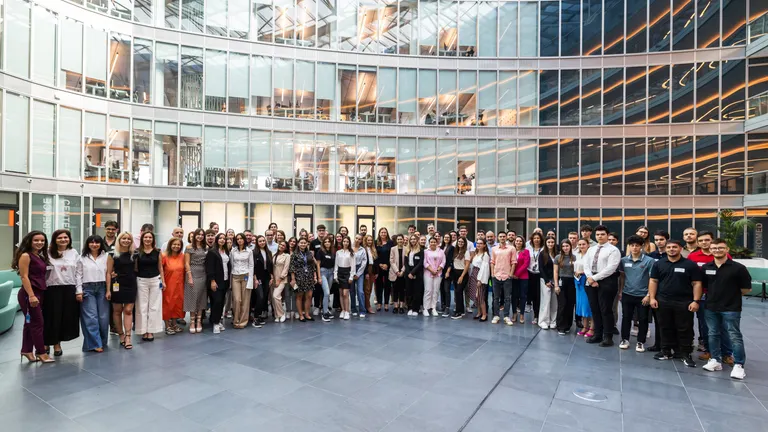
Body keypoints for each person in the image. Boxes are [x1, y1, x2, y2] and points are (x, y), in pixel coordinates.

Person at [701, 238, 751, 379]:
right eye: (714, 248)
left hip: (731, 308)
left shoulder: (738, 268)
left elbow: (746, 288)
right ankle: (715, 360)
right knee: (713, 333)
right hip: (711, 307)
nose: (717, 250)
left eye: (720, 248)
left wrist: (731, 296)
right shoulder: (706, 267)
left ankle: (739, 365)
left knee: (734, 335)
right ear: (710, 250)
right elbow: (705, 286)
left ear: (727, 249)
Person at [649, 239, 703, 367]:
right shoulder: (659, 264)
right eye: (669, 247)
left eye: (674, 247)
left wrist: (696, 301)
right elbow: (653, 281)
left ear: (680, 249)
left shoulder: (690, 265)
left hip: (684, 302)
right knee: (665, 326)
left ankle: (685, 353)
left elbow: (697, 283)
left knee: (685, 328)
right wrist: (652, 298)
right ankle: (666, 351)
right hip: (663, 301)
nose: (671, 249)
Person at [688, 231, 734, 363]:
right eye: (701, 240)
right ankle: (709, 350)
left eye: (707, 240)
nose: (704, 243)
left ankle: (727, 353)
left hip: (721, 296)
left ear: (712, 241)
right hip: (702, 296)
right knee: (705, 326)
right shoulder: (693, 256)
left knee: (723, 326)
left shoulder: (723, 255)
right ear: (697, 242)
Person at [14, 231, 54, 363]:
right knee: (37, 323)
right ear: (30, 241)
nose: (39, 243)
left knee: (29, 322)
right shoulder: (26, 255)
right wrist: (31, 295)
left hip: (39, 292)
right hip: (30, 293)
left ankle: (26, 350)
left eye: (42, 241)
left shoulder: (39, 256)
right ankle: (41, 353)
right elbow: (24, 277)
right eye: (36, 240)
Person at [43, 229, 81, 356]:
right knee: (51, 317)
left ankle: (57, 343)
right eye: (60, 238)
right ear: (54, 239)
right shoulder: (47, 252)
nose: (63, 239)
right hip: (52, 289)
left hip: (69, 288)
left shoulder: (73, 252)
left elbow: (78, 273)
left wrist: (78, 290)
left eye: (66, 237)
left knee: (64, 317)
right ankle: (46, 343)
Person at [583, 225, 621, 347]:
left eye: (602, 234)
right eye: (598, 234)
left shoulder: (613, 250)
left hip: (607, 281)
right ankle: (597, 335)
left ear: (607, 235)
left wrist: (594, 278)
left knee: (606, 310)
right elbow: (586, 264)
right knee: (595, 309)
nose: (600, 236)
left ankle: (608, 337)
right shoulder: (591, 249)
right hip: (590, 281)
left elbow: (611, 268)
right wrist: (590, 278)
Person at [618, 235, 654, 352]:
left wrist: (649, 295)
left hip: (643, 295)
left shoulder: (649, 261)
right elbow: (622, 277)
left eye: (637, 246)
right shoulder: (624, 260)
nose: (634, 248)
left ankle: (640, 341)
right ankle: (624, 339)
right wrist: (621, 292)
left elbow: (651, 279)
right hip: (627, 294)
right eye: (632, 245)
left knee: (643, 319)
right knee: (626, 317)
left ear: (642, 246)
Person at [76, 235, 109, 352]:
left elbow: (109, 273)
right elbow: (78, 275)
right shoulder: (81, 258)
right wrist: (78, 291)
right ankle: (95, 344)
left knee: (103, 317)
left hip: (102, 288)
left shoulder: (106, 257)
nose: (94, 245)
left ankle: (102, 342)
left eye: (97, 242)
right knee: (91, 317)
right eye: (92, 242)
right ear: (87, 244)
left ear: (101, 244)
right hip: (87, 288)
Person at [107, 232, 138, 349]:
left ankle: (128, 336)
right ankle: (121, 335)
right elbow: (109, 273)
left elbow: (136, 269)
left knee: (129, 310)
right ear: (119, 240)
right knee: (117, 310)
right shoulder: (112, 254)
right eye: (123, 238)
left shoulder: (134, 254)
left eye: (128, 239)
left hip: (130, 284)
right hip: (117, 285)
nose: (126, 240)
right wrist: (108, 290)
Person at [135, 231, 164, 342]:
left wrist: (163, 281)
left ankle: (151, 330)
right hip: (141, 280)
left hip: (155, 280)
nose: (147, 239)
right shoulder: (137, 252)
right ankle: (143, 330)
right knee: (142, 307)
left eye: (150, 237)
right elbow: (135, 268)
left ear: (153, 239)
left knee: (154, 306)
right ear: (142, 239)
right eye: (145, 237)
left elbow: (160, 267)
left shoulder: (158, 252)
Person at [184, 228, 208, 334]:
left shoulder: (206, 247)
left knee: (201, 297)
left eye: (202, 235)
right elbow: (187, 263)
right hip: (192, 273)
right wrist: (189, 276)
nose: (200, 236)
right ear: (194, 236)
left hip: (203, 273)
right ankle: (192, 322)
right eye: (198, 234)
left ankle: (199, 322)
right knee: (192, 297)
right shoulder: (189, 247)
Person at [205, 233, 230, 334]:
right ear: (217, 239)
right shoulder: (212, 252)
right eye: (220, 238)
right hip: (215, 281)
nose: (222, 240)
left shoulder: (226, 251)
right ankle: (215, 323)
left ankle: (217, 320)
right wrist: (212, 281)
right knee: (217, 301)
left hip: (225, 280)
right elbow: (209, 267)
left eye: (224, 238)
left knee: (221, 302)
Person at [490, 232, 516, 325]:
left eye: (504, 236)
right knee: (496, 298)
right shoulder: (494, 249)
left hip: (507, 276)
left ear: (506, 238)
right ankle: (496, 315)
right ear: (498, 238)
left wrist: (511, 274)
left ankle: (506, 316)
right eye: (500, 236)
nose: (502, 238)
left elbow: (513, 262)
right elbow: (492, 262)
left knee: (507, 298)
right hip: (496, 275)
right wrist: (492, 273)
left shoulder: (512, 248)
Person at [290, 237, 318, 322]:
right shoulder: (294, 254)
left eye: (304, 243)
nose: (303, 244)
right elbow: (292, 268)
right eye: (301, 243)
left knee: (309, 296)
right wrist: (293, 279)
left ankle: (307, 314)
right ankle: (301, 315)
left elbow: (313, 266)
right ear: (298, 244)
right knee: (299, 296)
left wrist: (315, 276)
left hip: (309, 277)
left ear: (307, 244)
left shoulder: (309, 253)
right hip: (299, 277)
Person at [230, 233, 254, 328]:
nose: (239, 240)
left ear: (244, 240)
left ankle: (243, 322)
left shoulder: (249, 251)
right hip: (235, 276)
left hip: (245, 276)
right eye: (238, 239)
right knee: (237, 299)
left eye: (241, 238)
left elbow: (251, 266)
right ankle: (236, 320)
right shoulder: (233, 251)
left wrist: (251, 279)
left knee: (245, 300)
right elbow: (232, 264)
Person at [162, 238, 185, 334]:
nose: (176, 246)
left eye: (178, 245)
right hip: (168, 285)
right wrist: (162, 282)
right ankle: (167, 326)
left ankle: (175, 324)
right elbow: (160, 271)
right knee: (168, 304)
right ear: (170, 245)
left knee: (178, 304)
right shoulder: (164, 256)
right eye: (174, 244)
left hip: (180, 285)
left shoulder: (182, 256)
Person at [554, 240, 577, 335]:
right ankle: (560, 326)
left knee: (570, 304)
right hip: (561, 282)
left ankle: (568, 325)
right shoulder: (558, 257)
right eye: (563, 246)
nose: (565, 248)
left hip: (572, 282)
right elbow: (555, 272)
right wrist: (556, 285)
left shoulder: (575, 257)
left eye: (567, 246)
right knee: (562, 304)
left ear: (570, 246)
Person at [574, 239, 594, 339]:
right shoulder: (576, 255)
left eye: (583, 244)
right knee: (581, 305)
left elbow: (592, 269)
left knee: (589, 305)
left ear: (588, 245)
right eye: (580, 244)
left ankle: (592, 328)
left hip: (587, 280)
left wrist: (582, 272)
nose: (582, 246)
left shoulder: (591, 255)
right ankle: (585, 326)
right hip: (578, 282)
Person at [537, 237, 558, 330]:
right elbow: (541, 268)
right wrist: (546, 281)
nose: (550, 244)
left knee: (555, 302)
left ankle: (553, 321)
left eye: (552, 242)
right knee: (546, 301)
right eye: (548, 242)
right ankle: (543, 321)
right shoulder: (542, 254)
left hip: (556, 280)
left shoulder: (557, 253)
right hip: (545, 280)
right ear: (546, 243)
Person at [253, 235, 273, 326]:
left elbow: (270, 266)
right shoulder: (254, 252)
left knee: (264, 296)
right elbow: (253, 267)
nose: (262, 243)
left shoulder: (268, 252)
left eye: (263, 241)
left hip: (267, 277)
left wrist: (272, 277)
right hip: (258, 277)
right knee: (260, 296)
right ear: (257, 243)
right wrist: (255, 279)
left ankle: (259, 315)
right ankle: (255, 317)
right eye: (260, 241)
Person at [468, 239, 491, 321]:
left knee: (480, 296)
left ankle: (484, 314)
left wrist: (480, 280)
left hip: (480, 276)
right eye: (477, 243)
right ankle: (479, 313)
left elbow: (485, 269)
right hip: (473, 274)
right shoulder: (476, 254)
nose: (479, 245)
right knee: (476, 296)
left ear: (484, 245)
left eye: (481, 243)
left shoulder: (485, 255)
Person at [422, 237, 445, 317]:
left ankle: (433, 308)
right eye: (431, 242)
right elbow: (424, 263)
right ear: (429, 243)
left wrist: (438, 270)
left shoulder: (441, 251)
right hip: (428, 273)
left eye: (434, 242)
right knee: (428, 290)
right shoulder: (425, 252)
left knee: (435, 291)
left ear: (437, 243)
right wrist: (431, 270)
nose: (433, 243)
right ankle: (426, 308)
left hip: (438, 274)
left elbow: (443, 262)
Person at [449, 237, 471, 319]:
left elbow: (467, 265)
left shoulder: (466, 252)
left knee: (459, 291)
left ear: (465, 243)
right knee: (457, 292)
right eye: (459, 241)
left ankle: (459, 312)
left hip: (462, 274)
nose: (460, 243)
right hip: (455, 273)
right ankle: (460, 310)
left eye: (462, 242)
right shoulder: (455, 251)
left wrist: (462, 276)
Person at [315, 236, 336, 322]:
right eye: (325, 242)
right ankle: (324, 313)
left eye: (329, 241)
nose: (327, 243)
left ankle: (326, 310)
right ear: (323, 243)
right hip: (323, 272)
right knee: (326, 292)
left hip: (331, 273)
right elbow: (318, 265)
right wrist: (319, 277)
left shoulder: (332, 252)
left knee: (327, 293)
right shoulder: (320, 251)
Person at [527, 232, 545, 325]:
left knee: (540, 296)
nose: (536, 240)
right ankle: (536, 315)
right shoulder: (529, 249)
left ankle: (542, 316)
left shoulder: (544, 249)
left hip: (540, 274)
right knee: (534, 296)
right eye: (535, 238)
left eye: (538, 238)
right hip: (530, 274)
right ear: (532, 240)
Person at [334, 236, 354, 320]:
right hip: (340, 273)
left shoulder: (351, 253)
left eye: (347, 241)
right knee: (341, 293)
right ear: (342, 242)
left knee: (346, 294)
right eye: (344, 241)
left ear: (349, 243)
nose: (345, 243)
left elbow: (353, 266)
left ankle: (347, 311)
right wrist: (335, 274)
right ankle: (343, 310)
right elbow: (336, 264)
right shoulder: (338, 252)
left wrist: (351, 276)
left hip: (347, 273)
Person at [404, 235, 424, 316]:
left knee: (417, 292)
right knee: (409, 291)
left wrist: (413, 273)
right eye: (411, 239)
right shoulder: (407, 250)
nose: (412, 240)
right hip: (408, 274)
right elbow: (406, 263)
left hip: (417, 274)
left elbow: (420, 263)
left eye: (414, 239)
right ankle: (410, 308)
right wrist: (409, 273)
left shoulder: (421, 250)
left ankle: (416, 309)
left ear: (417, 240)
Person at [375, 228, 394, 312]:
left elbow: (392, 255)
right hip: (378, 267)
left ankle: (386, 303)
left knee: (387, 285)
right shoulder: (376, 243)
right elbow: (374, 255)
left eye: (385, 232)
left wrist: (387, 265)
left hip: (388, 267)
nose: (383, 234)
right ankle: (379, 303)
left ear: (387, 233)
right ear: (379, 233)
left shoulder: (391, 243)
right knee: (379, 286)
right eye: (381, 232)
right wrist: (380, 264)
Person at [512, 236, 529, 324]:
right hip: (513, 277)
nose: (518, 242)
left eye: (520, 241)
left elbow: (526, 264)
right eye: (517, 241)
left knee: (523, 296)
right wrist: (512, 274)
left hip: (523, 277)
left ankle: (522, 314)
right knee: (514, 296)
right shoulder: (512, 250)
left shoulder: (526, 251)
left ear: (523, 242)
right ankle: (514, 313)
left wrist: (517, 274)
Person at [272, 241, 290, 323]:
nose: (281, 246)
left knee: (276, 296)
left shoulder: (286, 256)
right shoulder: (274, 255)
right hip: (273, 279)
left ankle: (282, 313)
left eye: (283, 245)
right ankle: (277, 315)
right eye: (280, 244)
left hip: (281, 280)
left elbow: (285, 269)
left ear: (286, 248)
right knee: (273, 298)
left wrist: (279, 280)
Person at [389, 234, 407, 314]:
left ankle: (401, 306)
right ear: (396, 240)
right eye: (398, 239)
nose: (400, 240)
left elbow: (407, 262)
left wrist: (402, 271)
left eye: (401, 239)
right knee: (395, 290)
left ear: (403, 240)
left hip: (403, 273)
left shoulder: (407, 249)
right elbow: (391, 261)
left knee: (402, 290)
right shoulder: (393, 249)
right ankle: (396, 306)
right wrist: (397, 271)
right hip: (394, 272)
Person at [353, 234, 368, 318]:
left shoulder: (363, 249)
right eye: (356, 238)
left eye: (359, 239)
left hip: (360, 269)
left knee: (360, 291)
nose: (357, 240)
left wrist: (358, 274)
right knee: (352, 292)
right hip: (350, 269)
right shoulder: (350, 248)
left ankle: (362, 310)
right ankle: (353, 309)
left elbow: (364, 262)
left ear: (361, 241)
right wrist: (352, 273)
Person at [440, 234, 455, 316]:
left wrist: (448, 271)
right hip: (440, 271)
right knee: (441, 289)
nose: (446, 239)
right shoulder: (441, 247)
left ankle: (447, 308)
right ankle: (443, 305)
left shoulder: (452, 248)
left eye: (448, 237)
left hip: (447, 271)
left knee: (446, 289)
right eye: (445, 237)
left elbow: (450, 261)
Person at [363, 235, 378, 314]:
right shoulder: (363, 249)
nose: (370, 242)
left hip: (372, 270)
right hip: (367, 269)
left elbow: (376, 262)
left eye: (371, 240)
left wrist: (376, 272)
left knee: (370, 289)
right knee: (367, 289)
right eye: (368, 240)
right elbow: (364, 262)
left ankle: (366, 305)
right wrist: (366, 273)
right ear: (365, 241)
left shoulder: (373, 249)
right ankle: (368, 306)